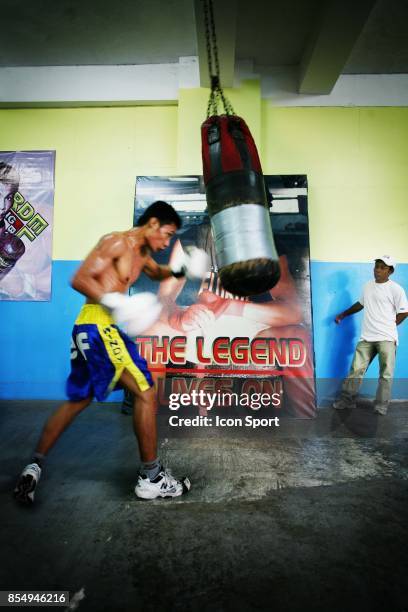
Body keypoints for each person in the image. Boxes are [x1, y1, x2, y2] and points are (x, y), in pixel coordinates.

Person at [14, 200, 209, 504]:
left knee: (78, 400)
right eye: (167, 234)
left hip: (91, 331)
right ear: (153, 224)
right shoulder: (116, 241)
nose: (167, 241)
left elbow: (157, 273)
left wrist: (183, 267)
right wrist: (117, 302)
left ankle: (33, 465)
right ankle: (151, 478)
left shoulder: (142, 253)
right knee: (145, 390)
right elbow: (79, 278)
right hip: (99, 327)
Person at [333, 255, 408, 415]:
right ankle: (347, 400)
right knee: (356, 370)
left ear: (390, 271)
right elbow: (361, 304)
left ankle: (381, 406)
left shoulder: (396, 289)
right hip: (367, 337)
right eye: (376, 266)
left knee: (385, 374)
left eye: (382, 267)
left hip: (387, 338)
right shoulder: (367, 286)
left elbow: (404, 312)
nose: (378, 270)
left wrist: (391, 325)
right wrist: (343, 314)